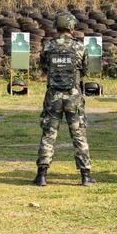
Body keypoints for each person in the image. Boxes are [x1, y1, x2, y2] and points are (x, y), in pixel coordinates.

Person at [33, 11, 95, 186]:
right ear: (71, 27)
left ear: (57, 27)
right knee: (79, 134)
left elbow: (44, 67)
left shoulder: (48, 46)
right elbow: (84, 70)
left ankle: (42, 175)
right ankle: (85, 175)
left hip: (53, 96)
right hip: (73, 97)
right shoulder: (80, 47)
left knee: (48, 134)